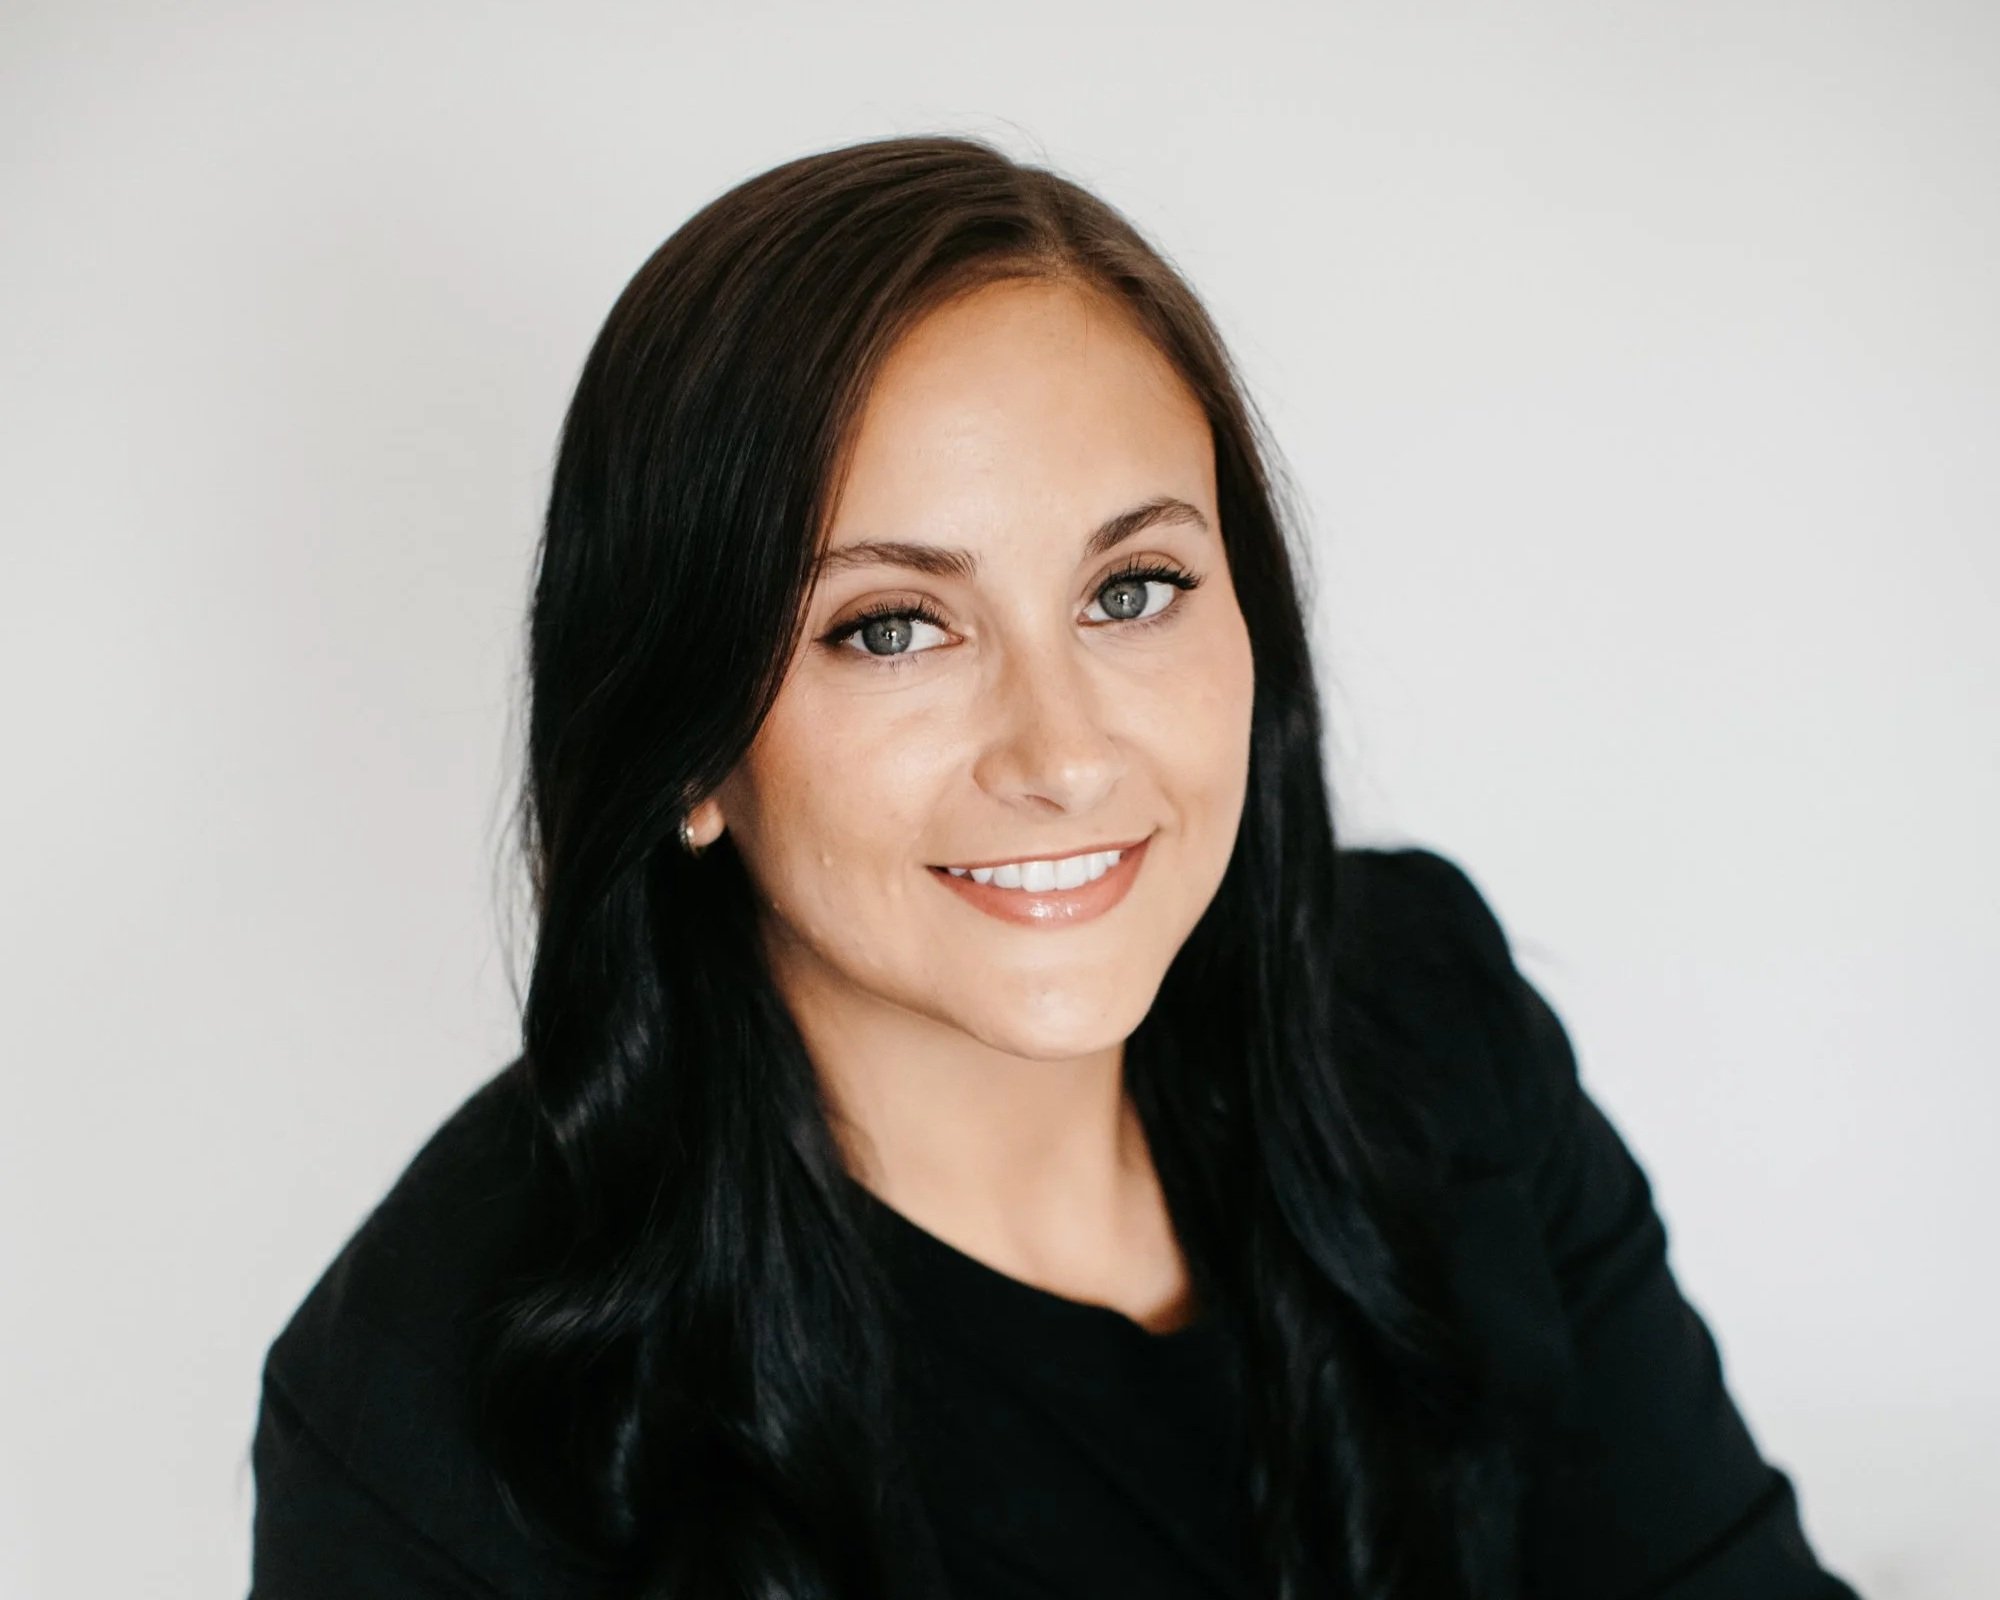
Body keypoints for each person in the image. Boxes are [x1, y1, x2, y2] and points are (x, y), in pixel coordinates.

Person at [246, 134, 1861, 1600]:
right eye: (894, 626)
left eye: (1132, 589)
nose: (1064, 754)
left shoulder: (1423, 1011)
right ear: (686, 748)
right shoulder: (430, 1397)